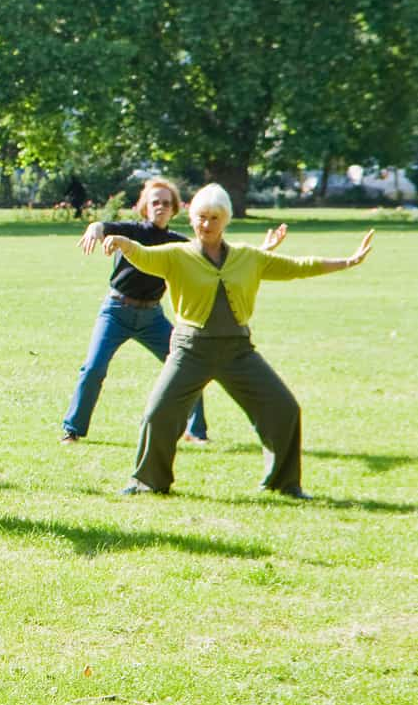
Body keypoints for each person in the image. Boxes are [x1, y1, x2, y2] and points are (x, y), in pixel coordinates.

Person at [106, 184, 372, 499]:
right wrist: (122, 241)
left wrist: (348, 261)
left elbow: (298, 266)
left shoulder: (248, 257)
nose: (206, 224)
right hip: (190, 350)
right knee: (158, 413)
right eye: (201, 217)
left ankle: (284, 483)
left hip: (238, 351)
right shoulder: (177, 255)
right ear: (192, 218)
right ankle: (149, 482)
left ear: (226, 220)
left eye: (214, 218)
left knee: (284, 409)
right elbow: (144, 255)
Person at [61, 177, 286, 446]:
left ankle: (197, 432)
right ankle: (72, 430)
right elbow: (103, 226)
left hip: (152, 318)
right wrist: (95, 229)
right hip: (116, 312)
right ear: (145, 206)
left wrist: (264, 251)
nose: (161, 207)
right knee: (94, 368)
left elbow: (222, 259)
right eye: (155, 202)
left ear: (175, 209)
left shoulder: (180, 244)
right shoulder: (132, 231)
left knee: (190, 364)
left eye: (166, 203)